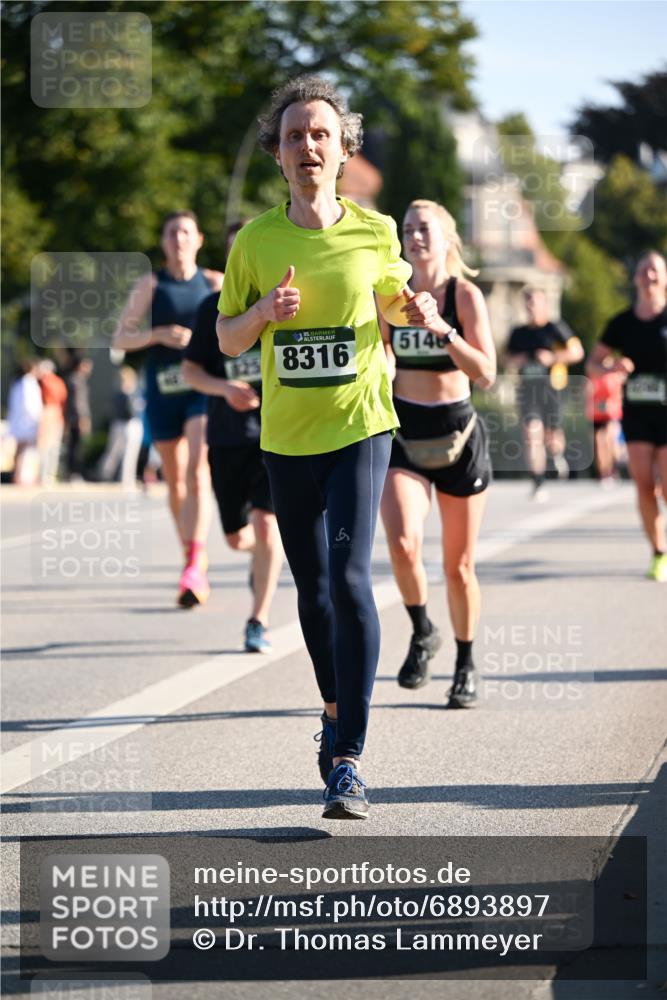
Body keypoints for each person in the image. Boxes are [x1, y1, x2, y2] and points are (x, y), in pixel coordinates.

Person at [217, 75, 438, 820]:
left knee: (348, 582)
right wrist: (262, 311)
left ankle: (347, 757)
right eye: (292, 136)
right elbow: (225, 338)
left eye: (319, 134)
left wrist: (417, 306)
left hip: (358, 425)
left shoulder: (374, 231)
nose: (306, 146)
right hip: (286, 437)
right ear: (276, 155)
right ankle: (332, 707)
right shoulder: (255, 240)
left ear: (343, 149)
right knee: (309, 592)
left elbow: (396, 304)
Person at [380, 200, 496, 708]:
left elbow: (486, 372)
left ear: (447, 237)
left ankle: (466, 662)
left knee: (459, 566)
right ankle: (423, 629)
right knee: (404, 542)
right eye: (407, 229)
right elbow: (383, 353)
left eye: (424, 228)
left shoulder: (463, 294)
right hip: (404, 431)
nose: (415, 236)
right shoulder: (390, 295)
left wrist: (443, 330)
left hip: (458, 435)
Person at [112, 211, 223, 606]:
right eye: (172, 232)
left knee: (197, 470)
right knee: (175, 481)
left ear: (199, 239)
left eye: (186, 232)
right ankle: (191, 554)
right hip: (162, 391)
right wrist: (157, 333)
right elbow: (121, 337)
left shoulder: (213, 283)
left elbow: (237, 327)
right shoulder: (151, 284)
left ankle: (195, 562)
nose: (178, 239)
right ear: (162, 242)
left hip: (200, 387)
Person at [183, 222, 284, 653]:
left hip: (276, 436)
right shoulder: (211, 309)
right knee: (237, 537)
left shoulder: (286, 303)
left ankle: (257, 619)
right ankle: (260, 563)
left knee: (266, 528)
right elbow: (191, 371)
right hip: (226, 438)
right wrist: (226, 389)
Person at [587, 250, 667, 582]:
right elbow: (592, 364)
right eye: (644, 270)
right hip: (636, 415)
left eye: (656, 271)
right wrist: (612, 367)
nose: (649, 276)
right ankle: (659, 552)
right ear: (635, 278)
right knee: (645, 487)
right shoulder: (621, 323)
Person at [505, 287, 584, 501]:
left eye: (535, 301)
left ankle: (556, 454)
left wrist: (552, 357)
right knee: (531, 435)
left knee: (553, 438)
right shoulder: (518, 332)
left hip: (553, 390)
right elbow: (506, 359)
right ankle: (537, 482)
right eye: (528, 301)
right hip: (527, 390)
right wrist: (517, 361)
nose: (531, 305)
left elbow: (577, 352)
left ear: (544, 304)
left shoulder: (556, 328)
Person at [98, 365, 145, 489]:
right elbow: (131, 410)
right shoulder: (124, 393)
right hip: (125, 424)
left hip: (128, 424)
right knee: (118, 452)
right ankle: (110, 476)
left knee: (126, 453)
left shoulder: (132, 391)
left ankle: (124, 478)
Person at [7, 358, 43, 485]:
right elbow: (29, 404)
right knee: (24, 449)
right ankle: (19, 476)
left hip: (20, 420)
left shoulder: (18, 382)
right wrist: (37, 418)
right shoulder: (28, 382)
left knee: (20, 449)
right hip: (26, 421)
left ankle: (17, 474)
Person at [586, 367, 623, 486]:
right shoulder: (592, 378)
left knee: (610, 440)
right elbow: (587, 396)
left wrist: (612, 405)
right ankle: (603, 473)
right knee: (599, 443)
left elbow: (620, 394)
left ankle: (613, 468)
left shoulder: (614, 376)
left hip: (611, 414)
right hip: (596, 415)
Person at [37, 359, 68, 485]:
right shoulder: (59, 382)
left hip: (49, 414)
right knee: (53, 448)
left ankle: (44, 476)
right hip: (57, 414)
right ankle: (50, 475)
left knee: (45, 447)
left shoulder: (45, 381)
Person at [63, 355, 93, 481]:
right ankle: (74, 473)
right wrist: (83, 418)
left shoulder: (75, 379)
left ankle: (72, 473)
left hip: (73, 418)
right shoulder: (76, 380)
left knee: (74, 446)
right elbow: (78, 402)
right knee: (76, 447)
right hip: (76, 418)